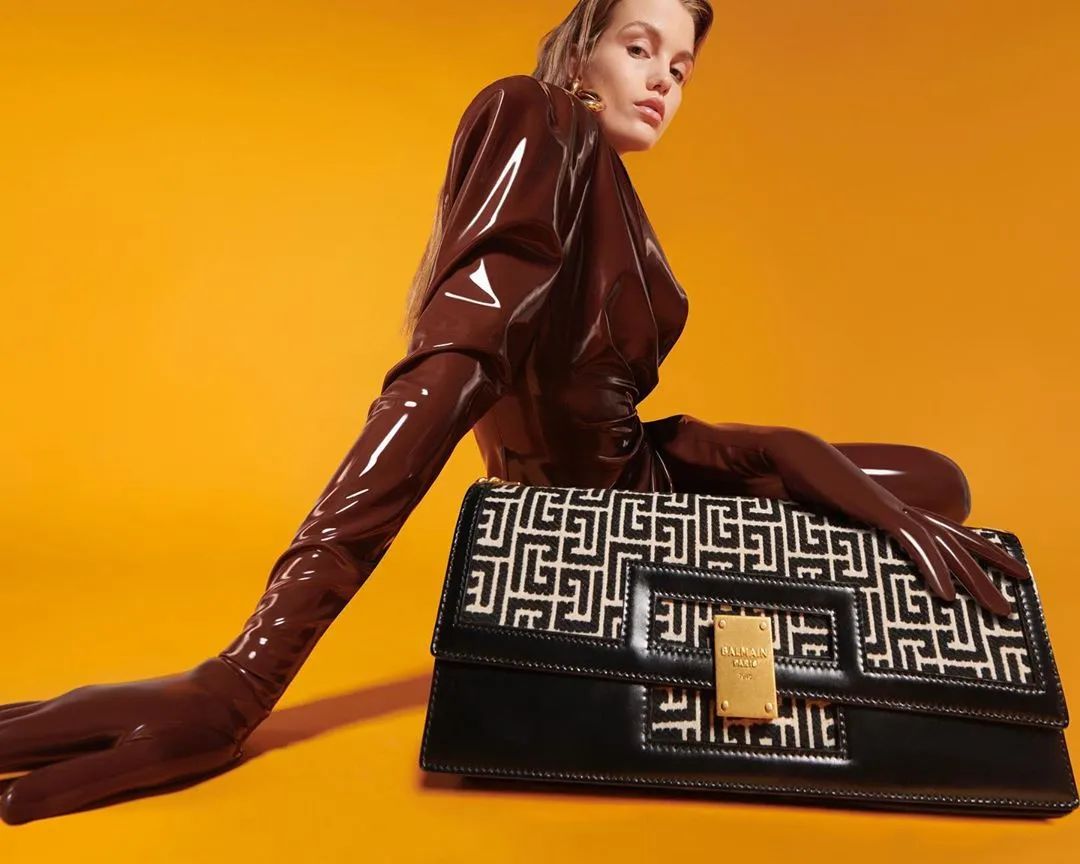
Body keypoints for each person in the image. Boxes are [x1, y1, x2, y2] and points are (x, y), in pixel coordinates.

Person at [0, 0, 1031, 825]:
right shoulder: (538, 119)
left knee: (933, 483)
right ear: (582, 51)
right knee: (886, 495)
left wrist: (846, 491)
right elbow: (447, 378)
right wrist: (247, 674)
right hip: (586, 515)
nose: (664, 81)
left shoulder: (609, 186)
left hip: (651, 478)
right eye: (641, 47)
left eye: (682, 67)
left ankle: (781, 634)